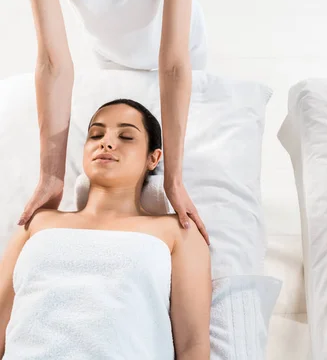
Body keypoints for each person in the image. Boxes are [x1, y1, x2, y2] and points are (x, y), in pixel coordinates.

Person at [14, 0, 209, 243]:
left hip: (180, 50)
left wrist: (174, 181)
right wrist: (51, 176)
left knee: (183, 160)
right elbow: (52, 63)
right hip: (109, 54)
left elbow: (175, 66)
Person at [0, 99, 211, 359]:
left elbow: (193, 345)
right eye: (96, 135)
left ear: (153, 158)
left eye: (126, 136)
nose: (106, 143)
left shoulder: (177, 231)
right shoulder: (37, 223)